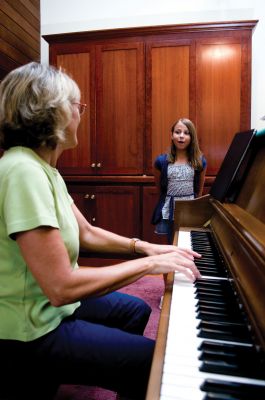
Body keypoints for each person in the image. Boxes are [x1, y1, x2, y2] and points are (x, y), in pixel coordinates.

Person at [0, 62, 201, 400]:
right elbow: (62, 287)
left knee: (135, 310)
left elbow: (86, 234)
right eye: (76, 106)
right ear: (52, 113)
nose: (81, 114)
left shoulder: (44, 169)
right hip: (27, 329)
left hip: (48, 307)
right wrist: (149, 266)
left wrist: (146, 248)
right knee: (154, 362)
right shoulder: (22, 171)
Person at [151, 117, 207, 245]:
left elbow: (199, 191)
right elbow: (160, 189)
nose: (181, 136)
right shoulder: (161, 161)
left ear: (192, 137)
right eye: (178, 132)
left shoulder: (200, 161)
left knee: (188, 244)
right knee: (172, 243)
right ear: (171, 135)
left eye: (186, 133)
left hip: (190, 208)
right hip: (170, 209)